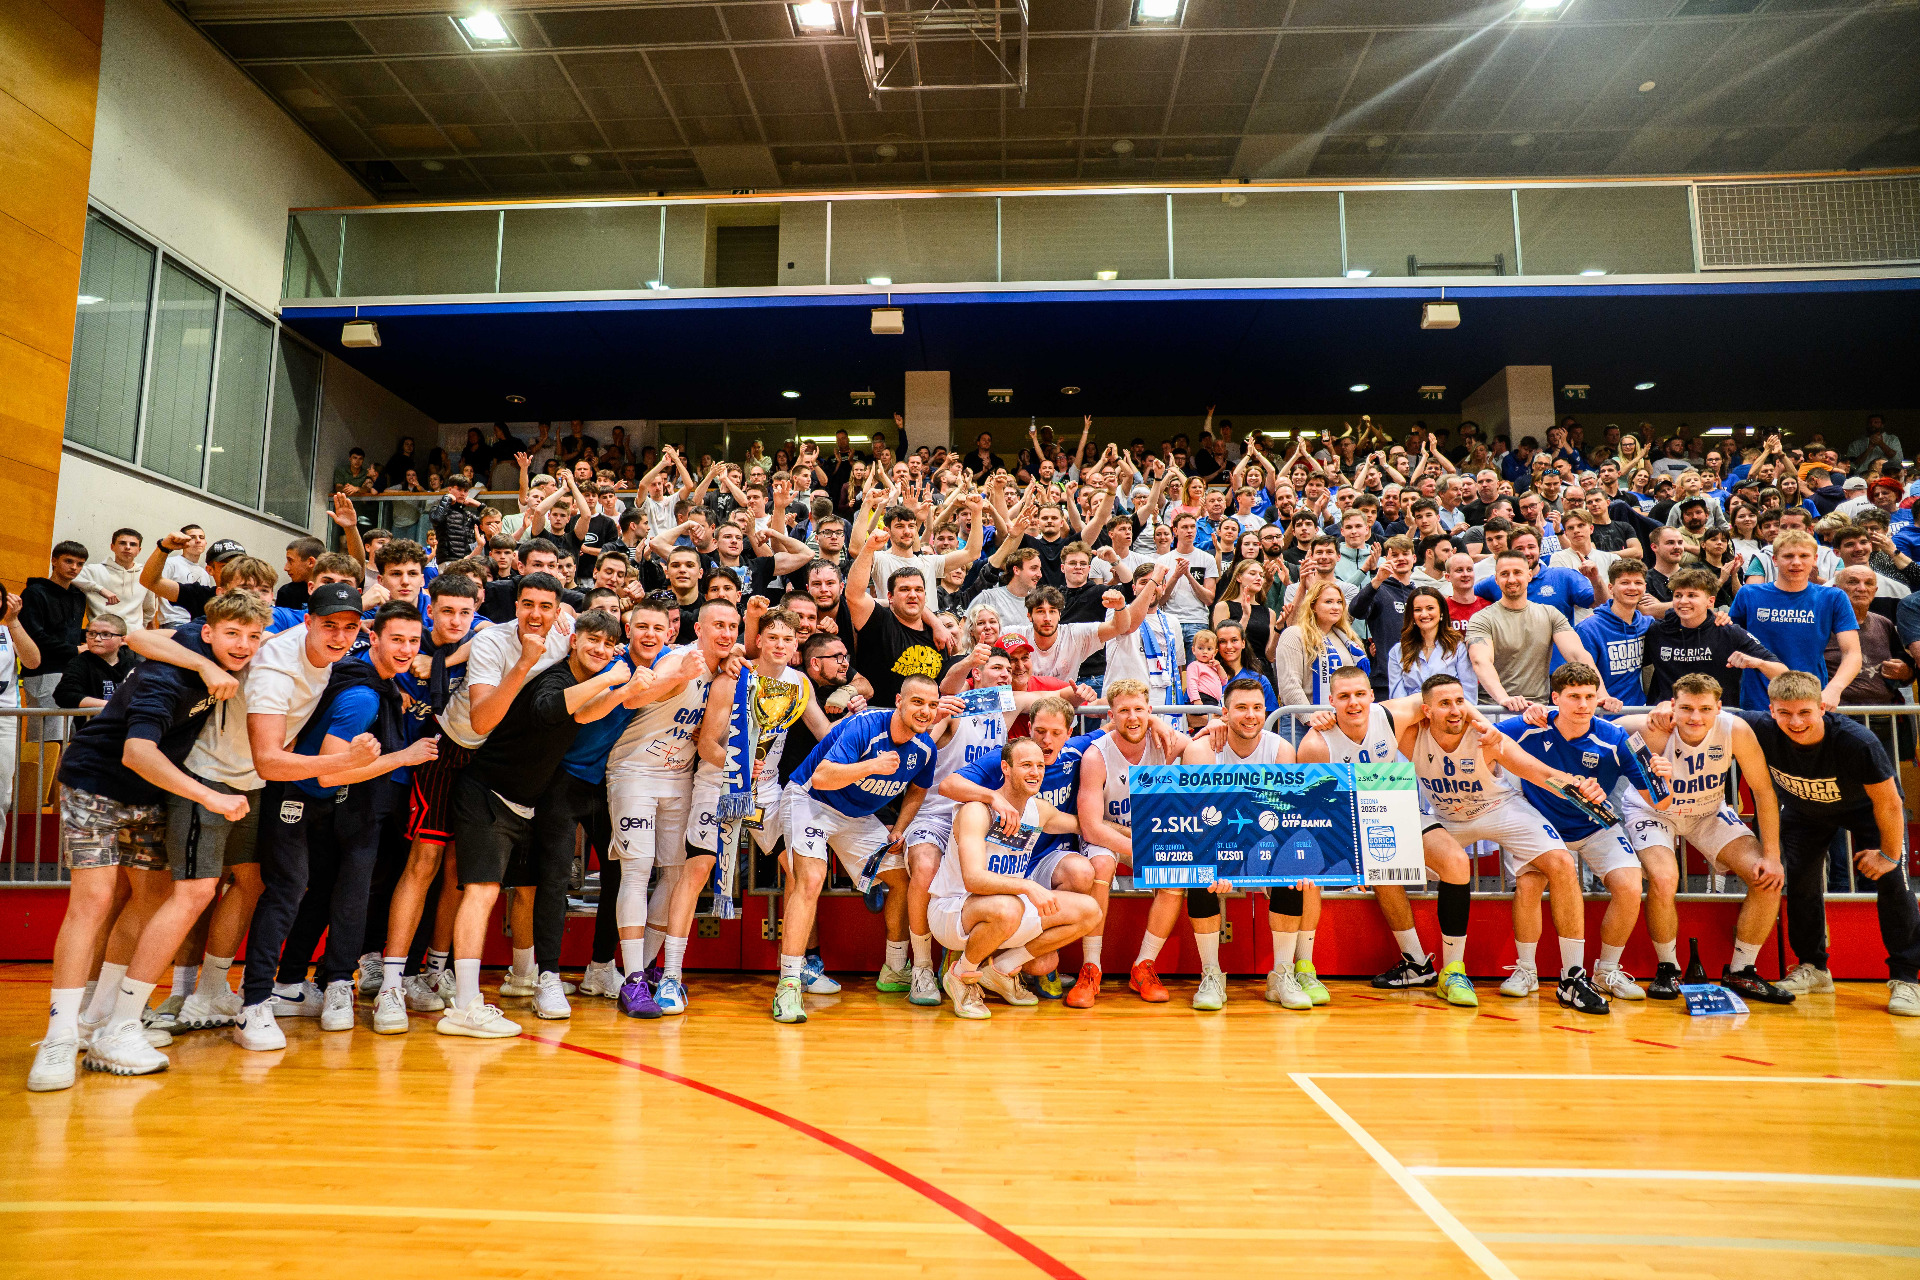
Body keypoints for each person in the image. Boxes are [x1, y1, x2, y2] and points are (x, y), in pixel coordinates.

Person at [24, 592, 269, 1091]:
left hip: (150, 796)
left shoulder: (199, 647)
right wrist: (209, 795)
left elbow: (141, 636)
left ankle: (103, 1021)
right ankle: (59, 1036)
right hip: (95, 784)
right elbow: (137, 752)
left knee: (151, 899)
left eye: (252, 636)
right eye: (232, 634)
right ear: (207, 632)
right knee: (92, 902)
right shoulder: (166, 677)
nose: (243, 645)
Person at [1400, 673, 1614, 1014]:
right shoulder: (1410, 735)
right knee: (1389, 863)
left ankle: (1573, 977)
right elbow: (1371, 715)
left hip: (1500, 809)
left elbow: (1538, 772)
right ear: (1426, 710)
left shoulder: (1486, 737)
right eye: (1445, 704)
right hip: (1448, 818)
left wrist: (1579, 788)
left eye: (1460, 702)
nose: (1455, 710)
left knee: (1561, 863)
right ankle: (1425, 965)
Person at [1738, 671, 1920, 1015]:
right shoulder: (1756, 727)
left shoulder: (1857, 741)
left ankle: (1907, 979)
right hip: (1805, 811)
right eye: (1785, 713)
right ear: (1771, 710)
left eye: (1804, 712)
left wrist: (1888, 856)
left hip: (1868, 811)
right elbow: (1707, 712)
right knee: (1802, 883)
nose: (1795, 722)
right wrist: (1663, 711)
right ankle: (1814, 968)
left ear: (1822, 707)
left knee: (1894, 883)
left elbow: (1889, 804)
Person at [778, 674, 957, 1024]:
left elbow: (918, 790)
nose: (925, 711)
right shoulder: (865, 725)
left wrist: (900, 827)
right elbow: (822, 776)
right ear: (899, 701)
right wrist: (873, 766)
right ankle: (788, 983)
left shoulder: (925, 749)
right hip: (810, 801)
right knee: (810, 880)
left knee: (902, 878)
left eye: (932, 705)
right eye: (917, 702)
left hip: (856, 816)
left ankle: (895, 968)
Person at [671, 607, 824, 1015]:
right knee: (698, 869)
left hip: (768, 789)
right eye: (772, 637)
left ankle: (792, 975)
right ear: (759, 641)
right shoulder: (734, 678)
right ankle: (670, 975)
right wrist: (736, 765)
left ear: (796, 645)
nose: (780, 645)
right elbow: (707, 744)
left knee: (801, 870)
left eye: (788, 639)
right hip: (719, 783)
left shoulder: (799, 683)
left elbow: (825, 734)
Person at [1297, 669, 1479, 1005]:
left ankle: (1452, 970)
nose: (1353, 703)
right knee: (1307, 870)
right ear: (1331, 701)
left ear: (1371, 695)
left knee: (1455, 862)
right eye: (1344, 697)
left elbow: (1446, 697)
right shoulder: (1315, 744)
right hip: (1341, 825)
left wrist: (1484, 724)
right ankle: (1304, 968)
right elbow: (1313, 810)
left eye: (1360, 694)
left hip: (1392, 812)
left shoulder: (1390, 715)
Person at [1614, 675, 1792, 1003]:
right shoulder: (1654, 726)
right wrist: (1650, 714)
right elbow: (1605, 726)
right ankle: (1668, 968)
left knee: (1767, 877)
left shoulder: (1735, 729)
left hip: (1708, 812)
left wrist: (1772, 855)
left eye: (1705, 709)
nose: (1695, 717)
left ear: (1719, 708)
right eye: (1687, 708)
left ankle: (1742, 970)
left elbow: (1764, 791)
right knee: (1664, 879)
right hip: (1653, 812)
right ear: (1673, 706)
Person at [1501, 664, 1670, 1004]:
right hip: (1541, 824)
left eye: (1590, 697)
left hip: (1595, 825)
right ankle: (1526, 969)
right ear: (1555, 698)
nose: (1583, 705)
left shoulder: (1615, 738)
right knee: (1529, 884)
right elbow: (1480, 736)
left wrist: (1664, 775)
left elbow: (1661, 801)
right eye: (1574, 696)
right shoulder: (1529, 725)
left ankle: (1606, 971)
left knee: (1629, 885)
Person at [603, 599, 735, 1018]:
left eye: (731, 626)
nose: (725, 633)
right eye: (717, 625)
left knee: (676, 875)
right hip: (635, 771)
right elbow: (633, 700)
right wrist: (678, 676)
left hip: (678, 777)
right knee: (637, 871)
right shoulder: (680, 659)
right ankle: (632, 980)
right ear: (698, 629)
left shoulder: (725, 668)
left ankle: (643, 967)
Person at [1076, 680, 1225, 1009]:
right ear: (1111, 715)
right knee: (1101, 865)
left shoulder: (1164, 741)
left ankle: (1143, 966)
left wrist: (1212, 726)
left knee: (1174, 872)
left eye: (1139, 710)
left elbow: (1198, 750)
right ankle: (1091, 966)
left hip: (1148, 833)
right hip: (1110, 835)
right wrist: (1140, 848)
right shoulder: (1096, 755)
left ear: (1150, 711)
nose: (1132, 717)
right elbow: (1091, 827)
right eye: (1124, 711)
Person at [933, 737, 1099, 1018]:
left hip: (1009, 907)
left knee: (1090, 911)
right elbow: (973, 880)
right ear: (1005, 768)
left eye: (1039, 766)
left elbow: (1090, 827)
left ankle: (1001, 969)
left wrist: (1138, 836)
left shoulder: (1039, 810)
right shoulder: (976, 810)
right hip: (954, 910)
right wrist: (1028, 886)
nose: (1035, 772)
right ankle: (961, 975)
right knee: (1009, 906)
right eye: (1026, 765)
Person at [1726, 530, 1860, 711]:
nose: (1796, 562)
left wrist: (1834, 689)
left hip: (1810, 700)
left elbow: (1852, 652)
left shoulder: (1833, 597)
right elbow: (1729, 641)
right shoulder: (1749, 594)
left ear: (1814, 559)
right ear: (1775, 560)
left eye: (1804, 556)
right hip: (1758, 703)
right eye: (1788, 556)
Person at [1467, 550, 1594, 710]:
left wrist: (1601, 695)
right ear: (1496, 579)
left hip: (1539, 708)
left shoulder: (1550, 614)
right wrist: (1504, 699)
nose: (1511, 579)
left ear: (1529, 576)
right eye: (1504, 574)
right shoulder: (1481, 618)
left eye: (1517, 572)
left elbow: (1578, 655)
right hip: (1495, 709)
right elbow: (1480, 661)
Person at [1274, 581, 1368, 707]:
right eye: (1328, 602)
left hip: (1344, 714)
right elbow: (1290, 686)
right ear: (1313, 606)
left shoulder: (1349, 639)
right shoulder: (1294, 634)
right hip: (1305, 716)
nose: (1336, 607)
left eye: (1339, 602)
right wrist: (1311, 716)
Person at [1574, 559, 1653, 707]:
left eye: (1638, 583)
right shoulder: (1589, 628)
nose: (1632, 588)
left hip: (1638, 708)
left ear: (1645, 587)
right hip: (1602, 710)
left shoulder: (1647, 624)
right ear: (1611, 588)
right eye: (1625, 583)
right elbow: (1581, 678)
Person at [1386, 586, 1475, 702]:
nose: (1424, 614)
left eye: (1430, 608)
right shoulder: (1398, 651)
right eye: (1418, 610)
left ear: (1441, 611)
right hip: (1411, 712)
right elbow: (1397, 699)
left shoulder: (1458, 648)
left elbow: (1468, 694)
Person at [74, 528, 153, 634]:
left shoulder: (145, 575)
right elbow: (70, 576)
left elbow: (149, 609)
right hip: (102, 635)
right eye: (122, 543)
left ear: (139, 550)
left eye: (133, 544)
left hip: (134, 637)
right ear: (112, 547)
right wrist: (100, 589)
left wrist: (136, 629)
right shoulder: (95, 570)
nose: (127, 547)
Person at [54, 614, 137, 710]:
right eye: (92, 634)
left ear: (122, 640)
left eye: (106, 634)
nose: (97, 639)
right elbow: (64, 695)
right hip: (93, 719)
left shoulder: (134, 666)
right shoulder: (79, 663)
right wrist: (110, 705)